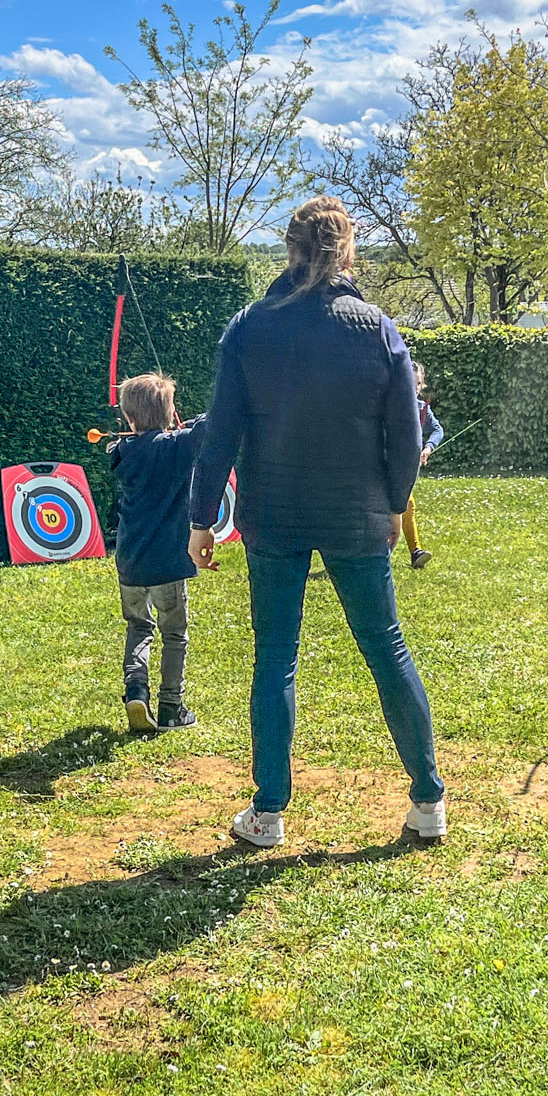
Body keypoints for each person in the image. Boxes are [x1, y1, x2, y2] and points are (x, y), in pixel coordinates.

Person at [188, 196, 445, 848]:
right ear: (346, 251)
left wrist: (201, 520)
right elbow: (405, 430)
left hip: (273, 513)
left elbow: (221, 433)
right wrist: (393, 503)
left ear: (291, 248)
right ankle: (428, 801)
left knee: (276, 656)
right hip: (356, 513)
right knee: (385, 647)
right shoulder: (376, 327)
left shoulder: (250, 327)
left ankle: (268, 812)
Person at [108, 372, 203, 734]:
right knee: (174, 633)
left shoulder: (121, 450)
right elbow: (211, 424)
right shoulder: (176, 446)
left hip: (130, 560)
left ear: (129, 418)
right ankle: (170, 707)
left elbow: (170, 435)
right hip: (167, 561)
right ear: (167, 412)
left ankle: (136, 690)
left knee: (138, 625)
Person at [400, 360, 444, 571]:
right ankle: (414, 551)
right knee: (406, 503)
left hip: (406, 471)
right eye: (409, 383)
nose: (414, 389)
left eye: (417, 384)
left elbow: (438, 430)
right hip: (383, 469)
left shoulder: (421, 409)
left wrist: (428, 448)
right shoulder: (390, 406)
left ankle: (415, 553)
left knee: (406, 505)